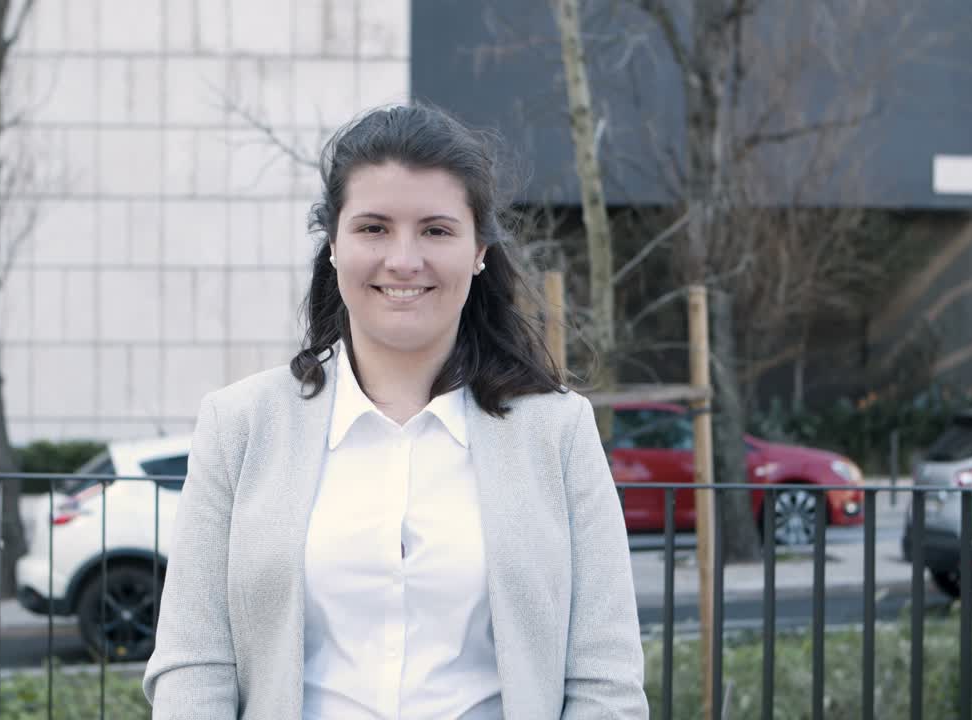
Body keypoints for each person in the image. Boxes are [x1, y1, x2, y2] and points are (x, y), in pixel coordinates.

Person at [142, 103, 648, 719]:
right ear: (334, 245)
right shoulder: (239, 425)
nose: (404, 259)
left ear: (479, 250)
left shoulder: (558, 431)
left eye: (436, 230)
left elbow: (605, 680)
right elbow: (194, 665)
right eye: (374, 228)